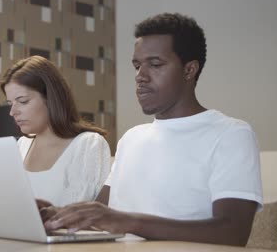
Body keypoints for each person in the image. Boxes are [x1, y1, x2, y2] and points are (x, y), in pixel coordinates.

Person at [41, 13, 263, 247]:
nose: (140, 76)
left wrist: (130, 222)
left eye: (155, 64)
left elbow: (233, 231)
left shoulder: (231, 134)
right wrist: (55, 215)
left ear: (189, 70)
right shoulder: (132, 138)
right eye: (137, 66)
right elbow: (100, 214)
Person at [0, 55, 111, 215]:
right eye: (10, 103)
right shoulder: (22, 145)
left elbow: (77, 217)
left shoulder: (89, 144)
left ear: (52, 98)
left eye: (22, 101)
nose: (12, 112)